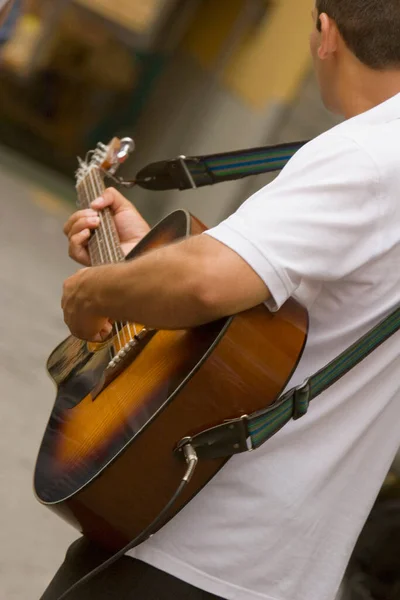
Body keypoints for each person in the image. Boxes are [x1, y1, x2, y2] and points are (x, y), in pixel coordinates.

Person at [42, 1, 400, 599]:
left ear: (325, 33)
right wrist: (148, 263)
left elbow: (203, 283)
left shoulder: (368, 155)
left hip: (192, 541)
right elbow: (286, 313)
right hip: (281, 571)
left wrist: (92, 289)